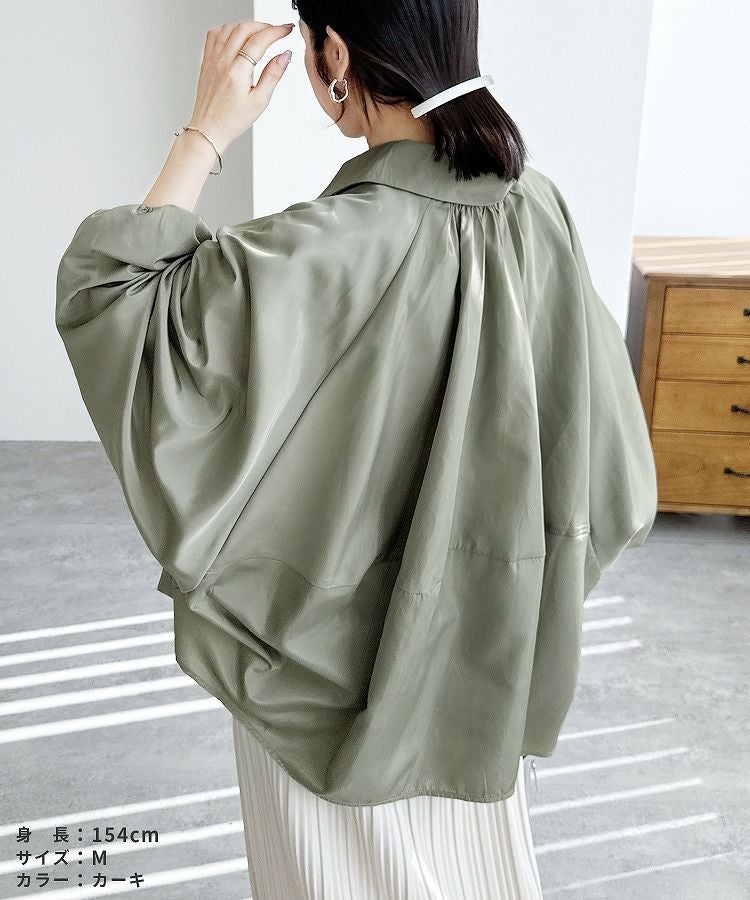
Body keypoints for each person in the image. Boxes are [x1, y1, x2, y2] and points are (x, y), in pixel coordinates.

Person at [55, 3, 659, 898]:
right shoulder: (538, 209)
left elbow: (113, 295)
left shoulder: (320, 248)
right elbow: (610, 471)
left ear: (334, 53)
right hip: (480, 671)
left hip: (322, 690)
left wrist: (206, 130)